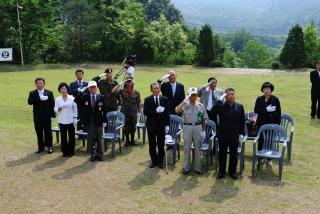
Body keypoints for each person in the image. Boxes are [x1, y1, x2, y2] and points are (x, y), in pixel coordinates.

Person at [214, 88, 245, 179]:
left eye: (232, 94)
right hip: (223, 134)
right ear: (226, 97)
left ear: (234, 95)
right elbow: (213, 112)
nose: (231, 96)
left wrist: (241, 133)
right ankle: (222, 172)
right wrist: (219, 101)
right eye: (228, 94)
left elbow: (242, 121)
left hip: (234, 135)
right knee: (222, 154)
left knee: (234, 154)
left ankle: (232, 172)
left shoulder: (239, 106)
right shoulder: (221, 106)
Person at [175, 87, 208, 175]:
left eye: (195, 95)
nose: (194, 97)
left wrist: (203, 131)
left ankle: (197, 168)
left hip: (198, 127)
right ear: (189, 96)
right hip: (187, 127)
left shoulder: (201, 105)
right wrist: (184, 101)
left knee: (198, 148)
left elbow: (204, 119)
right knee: (187, 148)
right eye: (192, 95)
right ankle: (186, 167)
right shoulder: (185, 105)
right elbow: (177, 110)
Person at [76, 81, 106, 162]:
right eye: (91, 87)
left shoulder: (101, 97)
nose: (93, 88)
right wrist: (82, 90)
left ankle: (100, 154)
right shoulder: (85, 96)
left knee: (99, 138)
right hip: (89, 121)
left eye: (94, 87)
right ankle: (92, 154)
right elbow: (76, 100)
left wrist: (104, 121)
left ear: (96, 88)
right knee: (90, 138)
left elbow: (104, 110)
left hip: (99, 121)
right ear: (88, 88)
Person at [254, 82, 281, 167]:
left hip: (271, 123)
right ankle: (260, 158)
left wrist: (277, 126)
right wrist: (265, 110)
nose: (266, 91)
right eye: (264, 89)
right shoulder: (259, 99)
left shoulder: (275, 99)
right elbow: (256, 110)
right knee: (261, 140)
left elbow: (278, 113)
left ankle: (269, 159)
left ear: (271, 90)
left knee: (269, 140)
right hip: (261, 123)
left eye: (268, 89)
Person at [144, 82, 170, 168]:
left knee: (161, 144)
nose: (156, 90)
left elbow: (167, 113)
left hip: (161, 125)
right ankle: (154, 161)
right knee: (152, 144)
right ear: (151, 90)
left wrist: (167, 125)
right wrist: (155, 111)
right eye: (155, 88)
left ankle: (160, 161)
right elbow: (145, 112)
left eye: (158, 88)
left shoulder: (164, 99)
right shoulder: (148, 99)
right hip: (151, 125)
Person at [28, 77, 55, 154]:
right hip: (37, 116)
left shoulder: (49, 93)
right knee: (39, 132)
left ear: (44, 84)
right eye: (38, 83)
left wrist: (52, 116)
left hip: (47, 116)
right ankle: (40, 147)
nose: (39, 84)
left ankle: (49, 146)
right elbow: (29, 102)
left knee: (48, 132)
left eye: (41, 83)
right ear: (35, 84)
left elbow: (52, 105)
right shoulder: (32, 93)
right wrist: (39, 99)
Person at [112, 77, 141, 146]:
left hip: (133, 112)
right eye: (127, 81)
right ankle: (127, 141)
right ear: (125, 82)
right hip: (124, 112)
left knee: (133, 127)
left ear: (133, 83)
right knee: (126, 127)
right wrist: (119, 84)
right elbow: (113, 91)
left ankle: (132, 140)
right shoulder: (122, 91)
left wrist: (139, 112)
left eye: (130, 81)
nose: (129, 82)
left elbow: (138, 102)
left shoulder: (136, 92)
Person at [54, 83, 78, 157]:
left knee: (71, 137)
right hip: (62, 121)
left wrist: (75, 119)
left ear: (67, 90)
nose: (63, 90)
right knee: (63, 137)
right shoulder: (58, 99)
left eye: (64, 89)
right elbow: (55, 109)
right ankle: (65, 152)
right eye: (61, 89)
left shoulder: (72, 98)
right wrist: (59, 109)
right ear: (59, 90)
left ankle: (71, 151)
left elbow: (75, 109)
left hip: (70, 120)